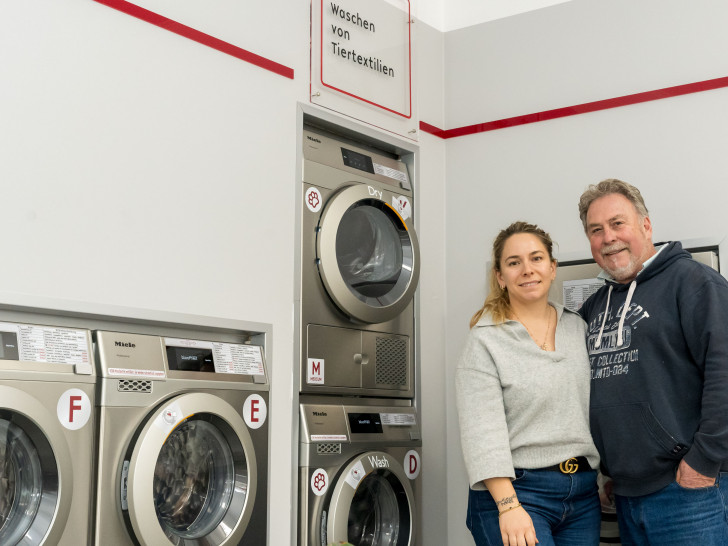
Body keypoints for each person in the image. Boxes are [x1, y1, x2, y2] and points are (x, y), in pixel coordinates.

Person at [577, 178, 728, 544]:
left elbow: (723, 374)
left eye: (617, 223)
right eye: (596, 230)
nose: (608, 237)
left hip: (688, 492)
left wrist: (704, 460)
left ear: (646, 225)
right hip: (626, 494)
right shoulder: (595, 307)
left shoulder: (694, 283)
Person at [456, 221, 601, 546]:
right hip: (517, 493)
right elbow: (481, 433)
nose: (527, 269)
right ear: (500, 277)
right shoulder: (485, 339)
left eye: (536, 258)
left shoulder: (576, 328)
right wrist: (508, 506)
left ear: (552, 268)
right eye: (513, 262)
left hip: (582, 495)